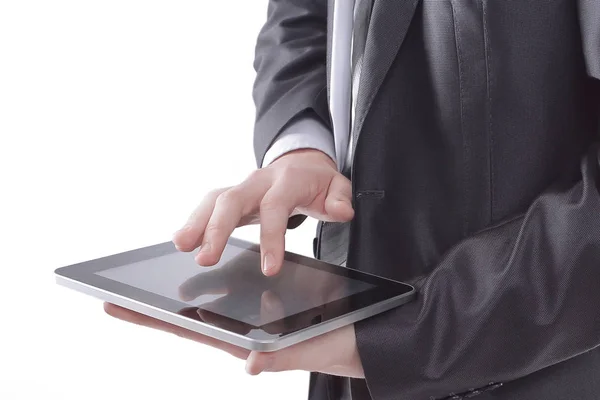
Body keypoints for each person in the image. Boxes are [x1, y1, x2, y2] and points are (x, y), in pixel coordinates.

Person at [104, 1, 600, 399]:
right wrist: (300, 145)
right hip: (347, 343)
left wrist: (405, 338)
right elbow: (301, 14)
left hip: (523, 368)